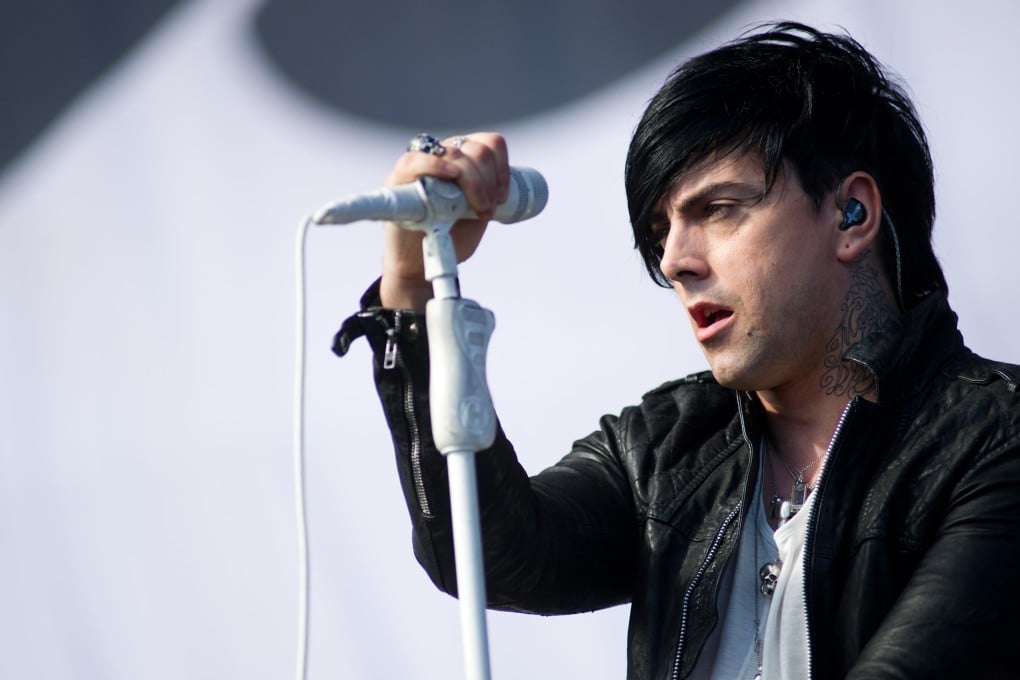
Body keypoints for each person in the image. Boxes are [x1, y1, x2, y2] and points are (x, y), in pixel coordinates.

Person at [333, 21, 1020, 679]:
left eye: (717, 209)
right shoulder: (668, 445)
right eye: (661, 230)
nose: (675, 260)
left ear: (851, 216)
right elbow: (487, 554)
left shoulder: (997, 437)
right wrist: (413, 292)